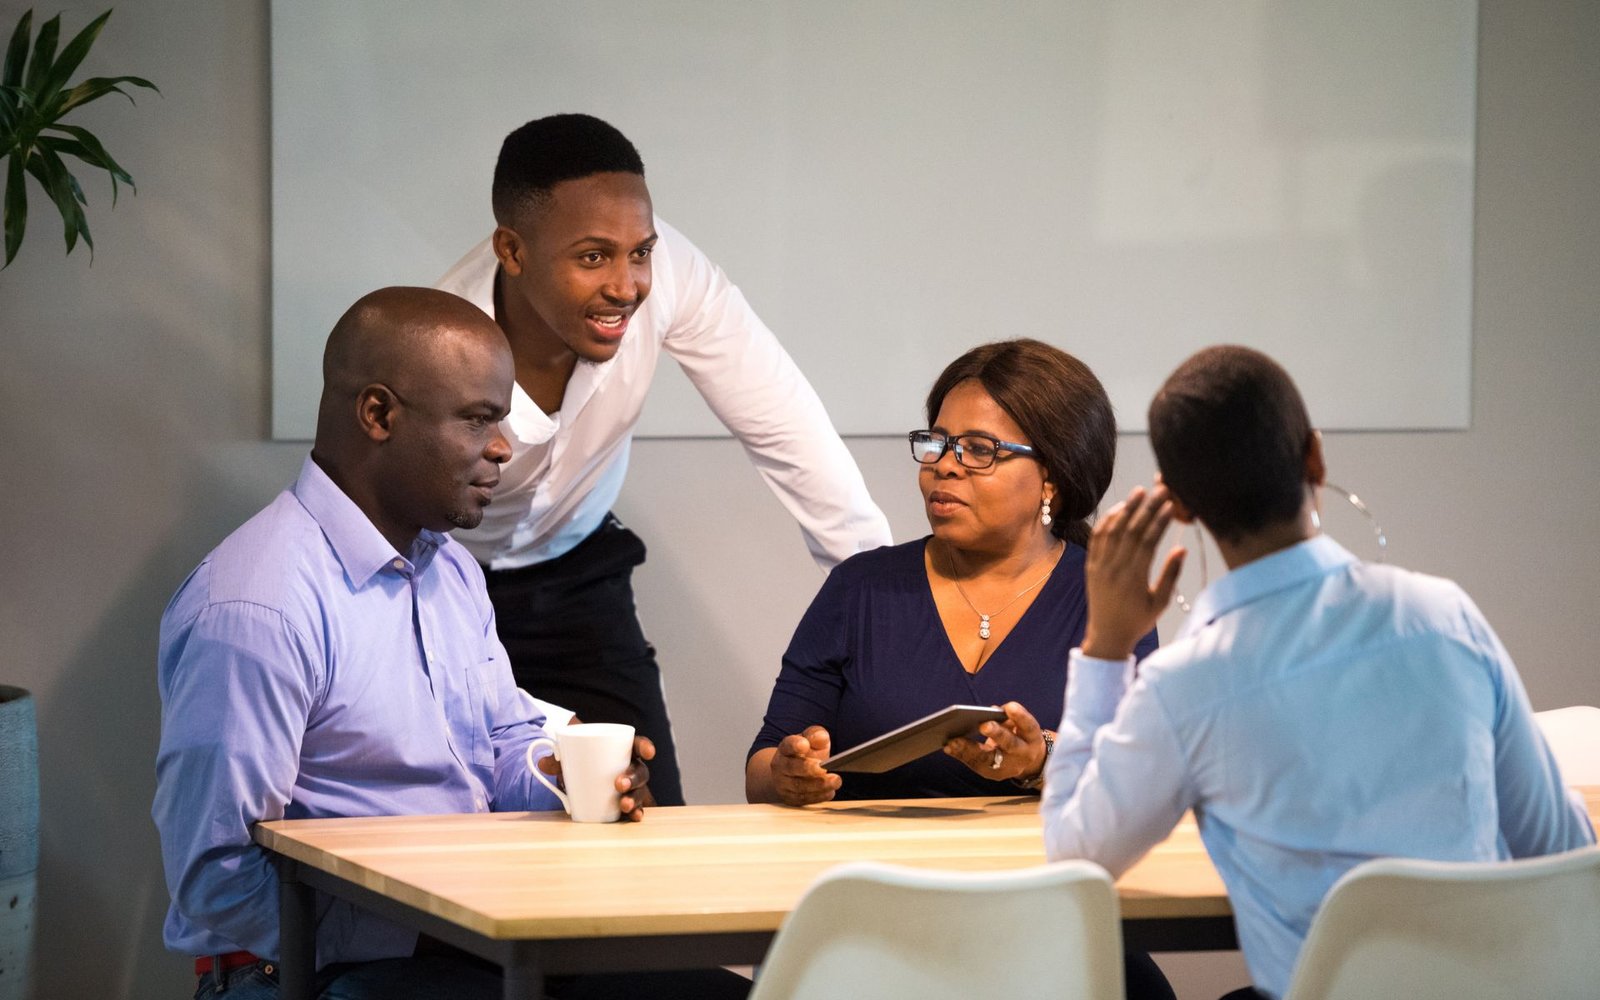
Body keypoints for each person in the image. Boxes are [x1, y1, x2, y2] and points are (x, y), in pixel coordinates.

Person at [151, 288, 667, 1000]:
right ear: (379, 415)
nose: (502, 447)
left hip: (460, 947)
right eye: (478, 419)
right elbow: (216, 874)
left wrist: (570, 778)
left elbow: (498, 740)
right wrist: (435, 929)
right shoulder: (257, 607)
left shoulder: (449, 570)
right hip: (305, 974)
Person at [1040, 345, 1596, 1000]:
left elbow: (1074, 860)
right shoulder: (1444, 617)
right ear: (1315, 457)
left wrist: (1106, 648)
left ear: (1181, 507)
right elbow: (1563, 848)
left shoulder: (1186, 687)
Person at [436, 113, 891, 807]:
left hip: (579, 577)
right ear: (513, 250)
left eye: (639, 252)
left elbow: (786, 425)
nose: (627, 286)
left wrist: (886, 604)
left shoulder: (669, 272)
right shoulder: (441, 341)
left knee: (647, 818)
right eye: (593, 257)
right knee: (458, 824)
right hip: (442, 590)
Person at [745, 339, 1173, 1000]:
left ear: (1052, 478)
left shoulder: (1108, 596)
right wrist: (788, 773)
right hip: (874, 926)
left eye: (979, 450)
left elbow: (1139, 787)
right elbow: (762, 767)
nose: (944, 466)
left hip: (1044, 921)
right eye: (937, 443)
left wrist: (1039, 761)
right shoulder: (861, 589)